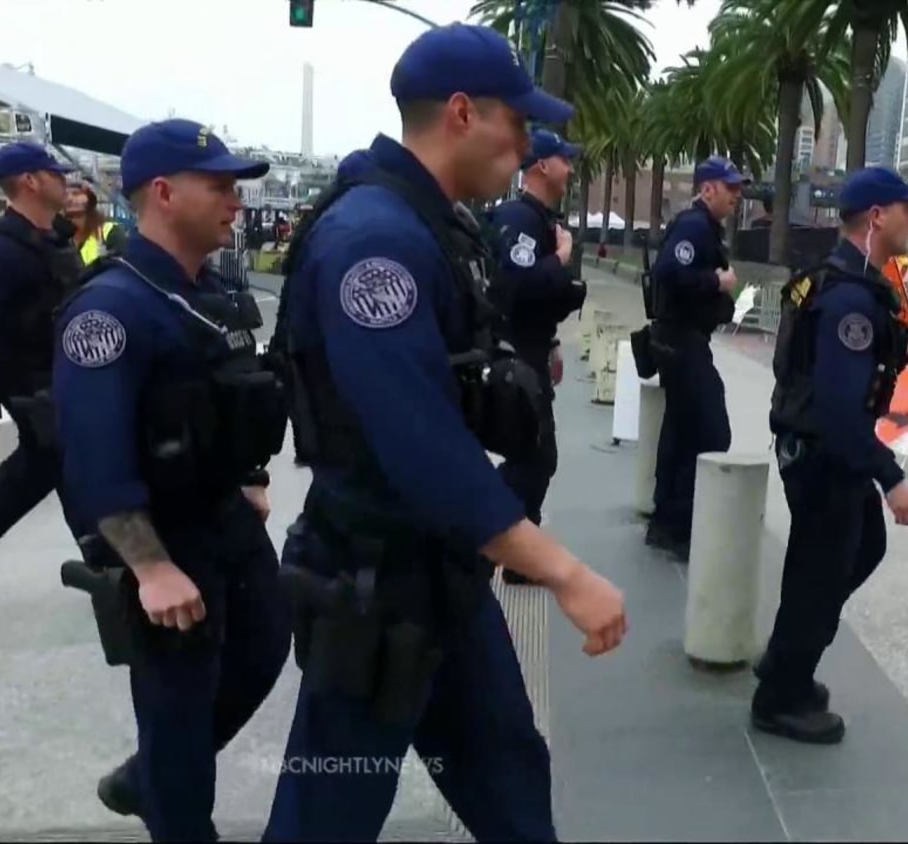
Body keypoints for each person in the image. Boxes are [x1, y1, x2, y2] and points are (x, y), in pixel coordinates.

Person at [262, 24, 626, 842]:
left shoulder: (440, 226)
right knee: (329, 811)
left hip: (444, 577)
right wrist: (563, 572)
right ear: (462, 112)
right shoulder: (375, 243)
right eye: (519, 121)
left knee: (510, 777)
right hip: (374, 587)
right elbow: (417, 442)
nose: (530, 143)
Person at [52, 119, 291, 841]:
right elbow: (92, 451)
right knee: (180, 711)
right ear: (162, 193)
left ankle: (147, 776)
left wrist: (248, 474)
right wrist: (150, 567)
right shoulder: (111, 309)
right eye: (218, 186)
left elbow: (237, 390)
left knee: (265, 647)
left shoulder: (208, 292)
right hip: (163, 535)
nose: (235, 202)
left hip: (225, 518)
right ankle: (172, 806)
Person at [759, 167, 908, 744]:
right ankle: (780, 695)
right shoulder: (849, 301)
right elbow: (837, 409)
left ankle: (788, 658)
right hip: (821, 453)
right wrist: (892, 478)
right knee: (820, 569)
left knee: (855, 550)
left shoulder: (841, 283)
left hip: (824, 449)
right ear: (877, 217)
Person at [0, 142, 83, 606]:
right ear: (31, 181)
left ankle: (114, 564)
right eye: (55, 173)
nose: (65, 181)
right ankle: (113, 565)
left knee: (32, 475)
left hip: (66, 378)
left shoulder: (55, 240)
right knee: (74, 466)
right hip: (33, 386)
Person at [488, 129, 588, 585]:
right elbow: (518, 286)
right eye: (565, 160)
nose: (570, 168)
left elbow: (539, 299)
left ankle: (516, 554)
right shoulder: (519, 219)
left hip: (532, 348)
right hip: (513, 356)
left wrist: (550, 340)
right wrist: (561, 260)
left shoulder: (542, 219)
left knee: (535, 456)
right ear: (543, 165)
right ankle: (495, 545)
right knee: (531, 456)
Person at [644, 157, 744, 560]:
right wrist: (715, 281)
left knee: (680, 431)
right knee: (710, 431)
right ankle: (681, 522)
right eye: (730, 187)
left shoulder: (703, 227)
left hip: (684, 340)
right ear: (708, 189)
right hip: (682, 342)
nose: (737, 195)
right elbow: (669, 272)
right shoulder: (693, 226)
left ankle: (667, 521)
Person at [66, 182, 126, 264]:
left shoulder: (110, 232)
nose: (69, 198)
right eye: (64, 195)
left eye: (76, 193)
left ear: (90, 197)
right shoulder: (57, 236)